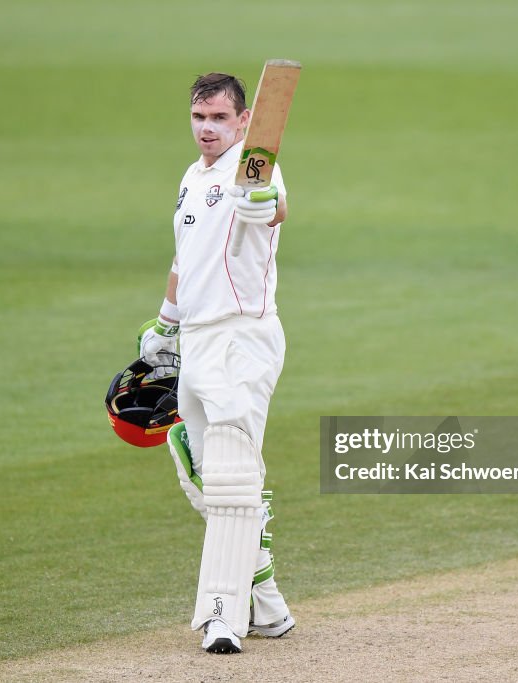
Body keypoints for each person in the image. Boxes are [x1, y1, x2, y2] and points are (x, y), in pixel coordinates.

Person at [138, 72, 295, 654]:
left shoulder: (254, 170)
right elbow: (185, 262)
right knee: (203, 477)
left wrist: (262, 204)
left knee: (231, 480)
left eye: (219, 119)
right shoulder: (192, 176)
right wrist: (163, 324)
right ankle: (270, 605)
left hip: (242, 338)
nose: (207, 129)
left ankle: (222, 617)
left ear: (243, 120)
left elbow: (273, 205)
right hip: (199, 340)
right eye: (199, 118)